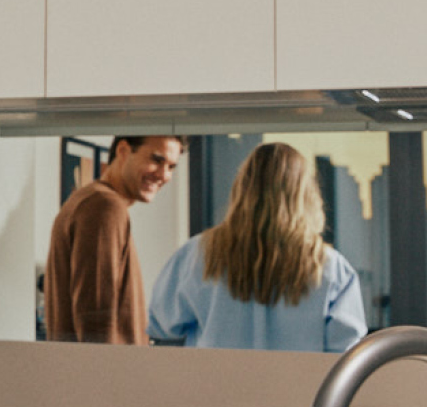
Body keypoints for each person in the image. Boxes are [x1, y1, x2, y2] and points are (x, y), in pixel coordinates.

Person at [147, 142, 367, 352]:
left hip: (212, 388)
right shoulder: (331, 267)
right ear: (306, 194)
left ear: (243, 188)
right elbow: (346, 352)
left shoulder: (197, 254)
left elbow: (162, 330)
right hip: (302, 390)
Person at [44, 135, 183, 344]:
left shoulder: (90, 199)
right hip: (106, 373)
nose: (164, 175)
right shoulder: (104, 206)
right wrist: (110, 375)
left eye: (171, 167)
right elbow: (97, 319)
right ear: (123, 151)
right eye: (156, 160)